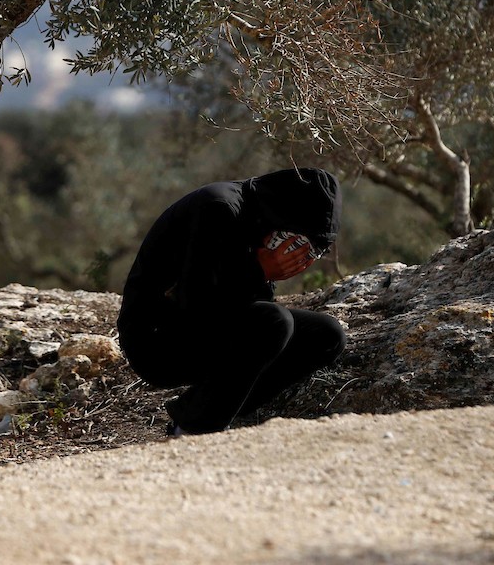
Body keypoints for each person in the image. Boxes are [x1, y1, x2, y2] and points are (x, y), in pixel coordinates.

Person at [117, 167, 347, 435]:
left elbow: (243, 305)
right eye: (303, 243)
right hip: (155, 341)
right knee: (274, 322)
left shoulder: (263, 222)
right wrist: (258, 270)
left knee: (326, 335)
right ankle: (195, 429)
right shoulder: (219, 208)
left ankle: (199, 411)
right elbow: (195, 304)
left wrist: (262, 274)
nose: (303, 255)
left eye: (315, 251)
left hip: (204, 329)